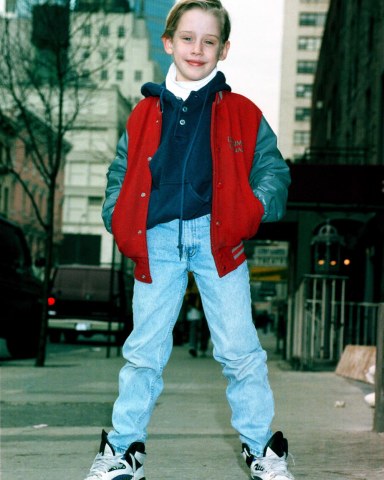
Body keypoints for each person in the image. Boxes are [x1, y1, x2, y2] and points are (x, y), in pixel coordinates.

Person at [84, 1, 294, 479]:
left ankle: (263, 450)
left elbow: (273, 170)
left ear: (223, 49)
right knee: (143, 353)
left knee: (240, 352)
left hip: (217, 241)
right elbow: (120, 172)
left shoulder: (241, 111)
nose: (196, 49)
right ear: (168, 42)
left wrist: (252, 211)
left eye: (209, 40)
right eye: (187, 38)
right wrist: (117, 216)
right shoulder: (142, 113)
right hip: (156, 241)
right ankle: (122, 453)